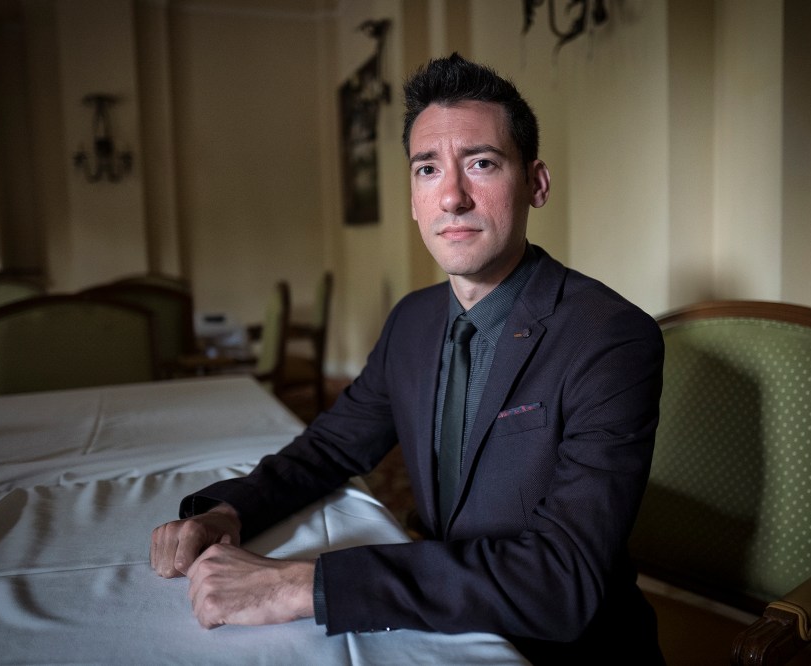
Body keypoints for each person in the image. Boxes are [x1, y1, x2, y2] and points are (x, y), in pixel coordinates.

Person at [151, 52, 665, 665]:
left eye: (481, 163)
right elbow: (330, 449)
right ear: (414, 200)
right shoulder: (413, 322)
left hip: (558, 650)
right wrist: (229, 512)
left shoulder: (610, 339)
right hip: (440, 624)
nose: (452, 196)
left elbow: (562, 581)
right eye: (428, 170)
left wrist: (303, 585)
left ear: (536, 183)